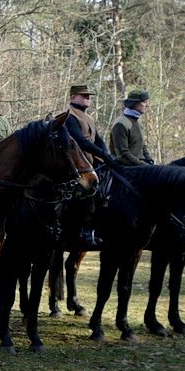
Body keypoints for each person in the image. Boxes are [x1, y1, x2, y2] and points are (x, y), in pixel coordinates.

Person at [62, 84, 113, 248]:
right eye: (84, 95)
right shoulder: (69, 117)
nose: (88, 98)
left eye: (89, 96)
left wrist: (106, 155)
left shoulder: (89, 118)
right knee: (87, 192)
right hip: (76, 163)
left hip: (93, 162)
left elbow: (98, 139)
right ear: (72, 97)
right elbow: (80, 141)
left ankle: (101, 228)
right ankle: (84, 229)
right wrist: (102, 154)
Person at [108, 89, 154, 166]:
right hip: (127, 170)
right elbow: (123, 155)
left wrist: (149, 160)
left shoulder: (137, 122)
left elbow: (142, 146)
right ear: (134, 104)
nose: (147, 105)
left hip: (139, 167)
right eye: (144, 102)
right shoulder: (121, 124)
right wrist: (144, 166)